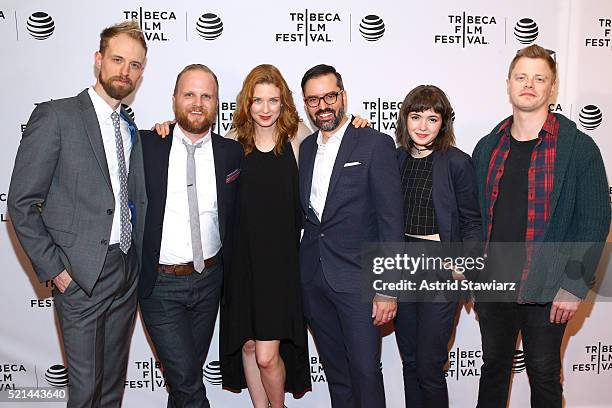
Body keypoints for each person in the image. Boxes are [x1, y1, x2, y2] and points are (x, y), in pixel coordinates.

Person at [8, 21, 148, 407]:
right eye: (118, 60)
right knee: (85, 392)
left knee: (110, 390)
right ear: (98, 60)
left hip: (125, 270)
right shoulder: (56, 117)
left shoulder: (129, 125)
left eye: (135, 65)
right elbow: (21, 203)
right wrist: (57, 271)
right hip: (81, 276)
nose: (126, 71)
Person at [472, 44, 610, 407]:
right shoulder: (488, 147)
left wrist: (574, 285)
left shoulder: (578, 147)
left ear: (552, 88)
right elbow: (474, 217)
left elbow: (595, 220)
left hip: (549, 289)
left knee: (545, 374)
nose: (529, 84)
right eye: (521, 77)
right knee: (493, 371)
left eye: (539, 78)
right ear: (508, 85)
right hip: (494, 285)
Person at [298, 64, 404, 408]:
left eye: (330, 96)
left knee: (365, 371)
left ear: (342, 96)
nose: (322, 105)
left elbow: (391, 220)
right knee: (336, 373)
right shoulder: (308, 148)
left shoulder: (375, 144)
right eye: (313, 99)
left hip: (360, 282)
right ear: (305, 103)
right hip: (314, 280)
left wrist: (388, 287)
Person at [138, 64, 243, 408]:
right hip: (160, 285)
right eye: (189, 94)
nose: (197, 103)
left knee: (185, 382)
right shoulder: (147, 145)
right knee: (189, 386)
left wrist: (350, 124)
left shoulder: (230, 153)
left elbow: (288, 136)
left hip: (209, 280)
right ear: (174, 100)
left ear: (216, 103)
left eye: (206, 96)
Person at [220, 64, 311, 408]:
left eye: (273, 100)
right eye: (258, 100)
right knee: (247, 346)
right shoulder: (231, 144)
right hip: (242, 265)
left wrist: (357, 123)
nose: (265, 109)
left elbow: (340, 139)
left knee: (267, 356)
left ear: (284, 103)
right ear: (247, 103)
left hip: (281, 267)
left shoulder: (301, 139)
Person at [394, 85, 481, 408]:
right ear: (405, 119)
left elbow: (472, 220)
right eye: (415, 117)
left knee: (430, 365)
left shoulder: (457, 162)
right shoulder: (396, 158)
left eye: (432, 118)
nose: (422, 126)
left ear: (443, 123)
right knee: (410, 362)